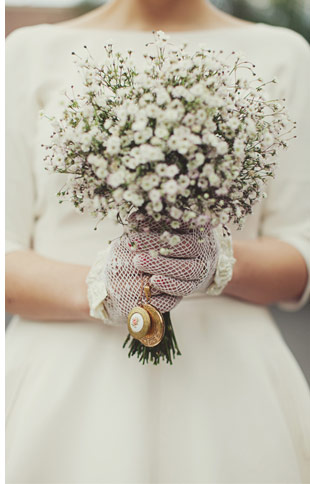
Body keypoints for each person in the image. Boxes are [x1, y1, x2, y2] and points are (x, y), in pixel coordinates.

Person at [5, 0, 310, 482]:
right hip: (61, 390)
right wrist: (101, 284)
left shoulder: (284, 56)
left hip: (231, 397)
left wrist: (216, 263)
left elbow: (300, 254)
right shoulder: (27, 53)